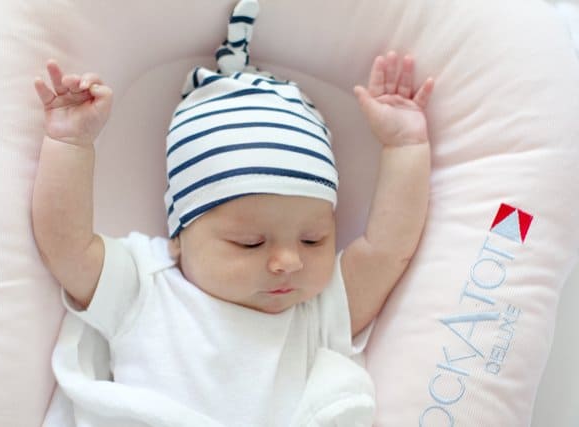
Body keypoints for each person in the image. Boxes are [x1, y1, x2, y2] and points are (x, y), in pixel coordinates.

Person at [33, 1, 433, 425]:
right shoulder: (144, 286)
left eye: (313, 239)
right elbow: (66, 246)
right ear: (180, 233)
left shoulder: (314, 313)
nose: (289, 262)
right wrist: (70, 145)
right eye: (251, 243)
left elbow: (387, 250)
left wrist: (404, 148)